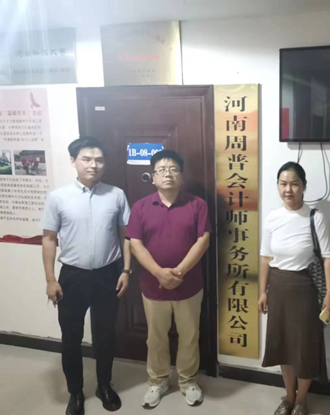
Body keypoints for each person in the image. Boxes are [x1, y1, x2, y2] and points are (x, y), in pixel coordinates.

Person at [42, 137, 131, 415]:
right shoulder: (58, 197)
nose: (94, 165)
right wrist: (50, 279)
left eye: (99, 160)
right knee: (71, 337)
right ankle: (75, 392)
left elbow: (126, 236)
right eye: (87, 159)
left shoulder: (116, 195)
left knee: (105, 334)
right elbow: (48, 239)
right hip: (72, 277)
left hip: (108, 274)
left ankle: (104, 385)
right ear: (73, 162)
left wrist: (126, 270)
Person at [126, 150, 211, 409]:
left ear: (182, 176)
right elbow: (135, 244)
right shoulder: (140, 207)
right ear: (152, 177)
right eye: (161, 170)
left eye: (173, 169)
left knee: (189, 335)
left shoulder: (197, 204)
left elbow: (203, 240)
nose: (168, 174)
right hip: (153, 286)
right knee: (156, 337)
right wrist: (159, 272)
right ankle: (158, 381)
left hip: (189, 285)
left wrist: (179, 272)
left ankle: (188, 381)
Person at [259, 162, 330, 415]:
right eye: (283, 184)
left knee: (304, 348)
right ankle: (289, 397)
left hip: (305, 289)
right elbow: (265, 258)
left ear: (304, 186)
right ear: (278, 186)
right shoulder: (272, 217)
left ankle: (302, 400)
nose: (288, 190)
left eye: (294, 184)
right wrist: (262, 291)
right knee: (283, 346)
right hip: (278, 288)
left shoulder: (315, 217)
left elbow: (328, 258)